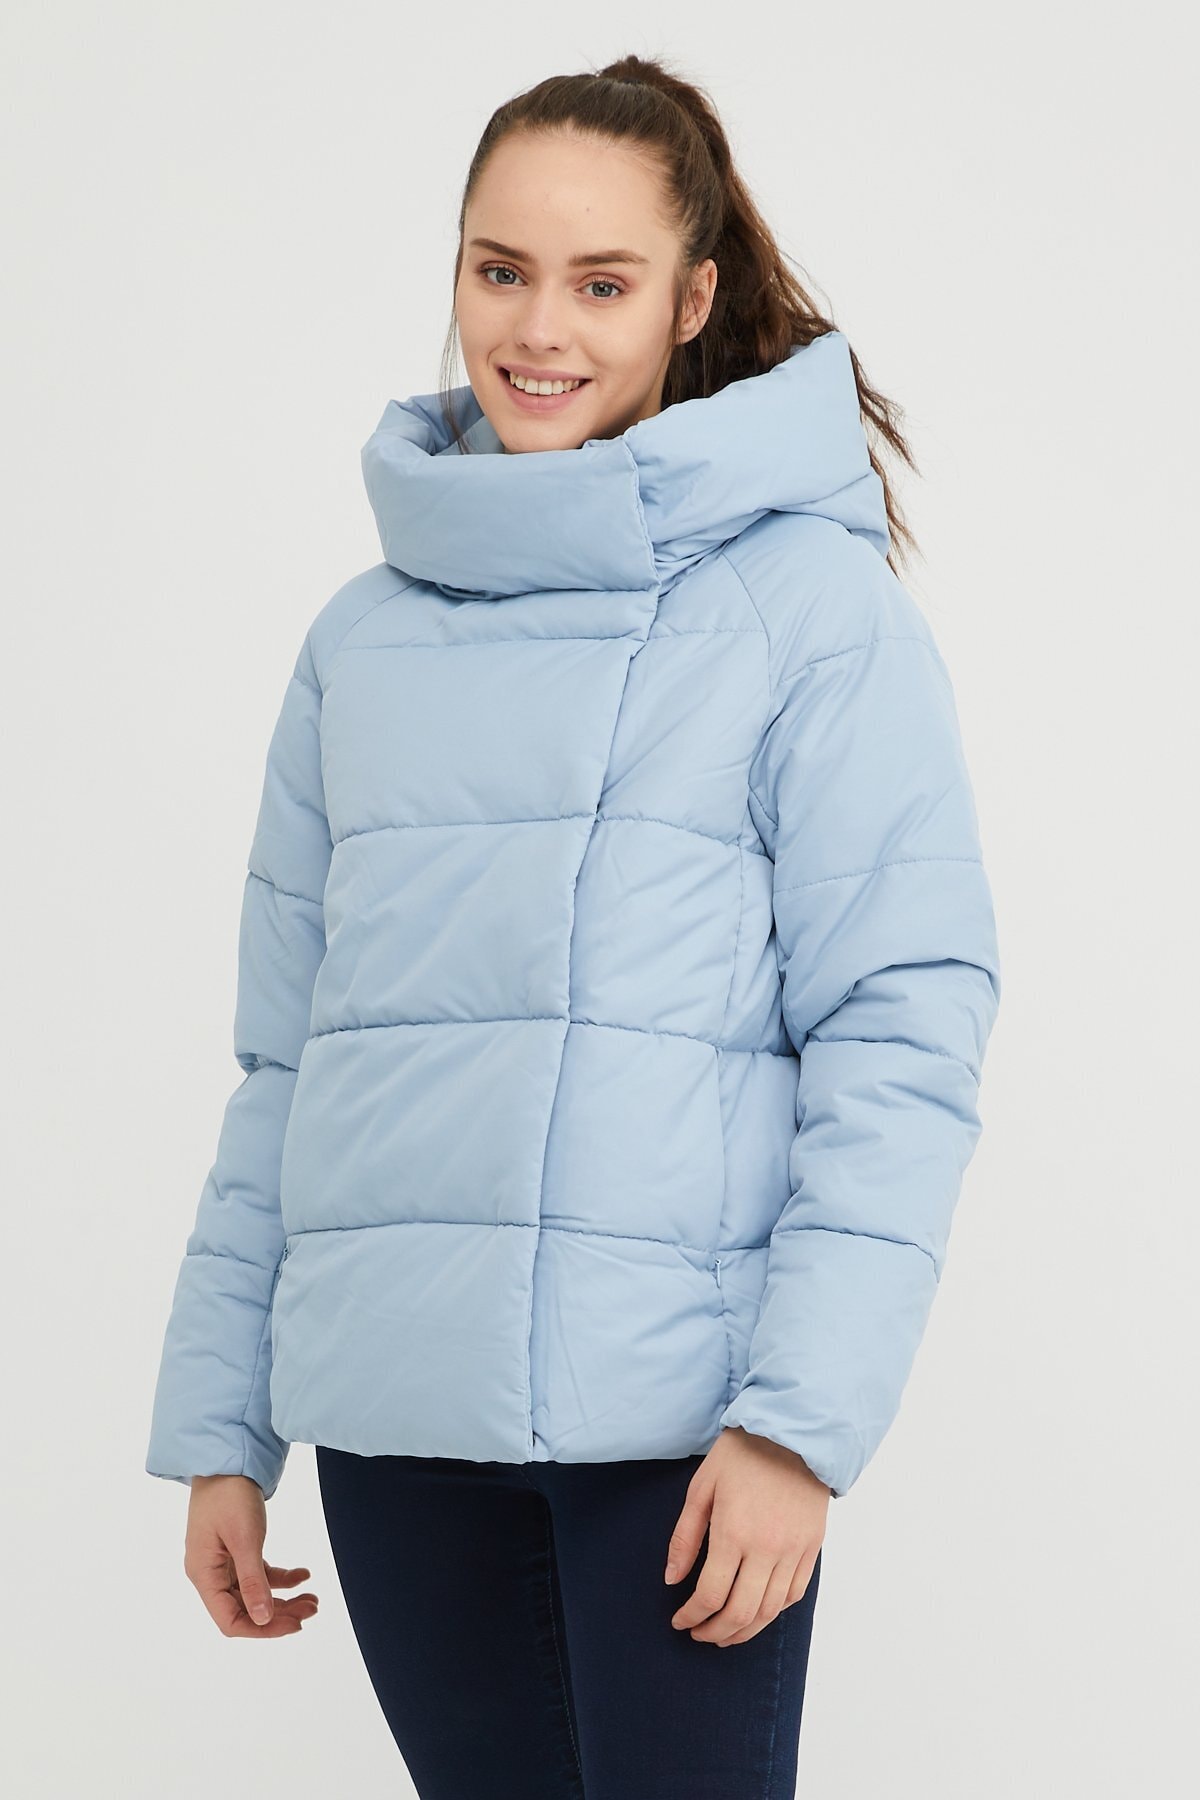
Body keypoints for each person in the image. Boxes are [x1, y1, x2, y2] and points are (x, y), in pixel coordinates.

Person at [145, 51, 1001, 1800]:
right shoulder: (360, 639)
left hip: (681, 1446)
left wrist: (797, 1427)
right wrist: (223, 1424)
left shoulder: (809, 615)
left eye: (602, 284)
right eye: (500, 270)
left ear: (692, 300)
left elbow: (903, 1030)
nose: (538, 330)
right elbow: (287, 1064)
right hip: (399, 1433)